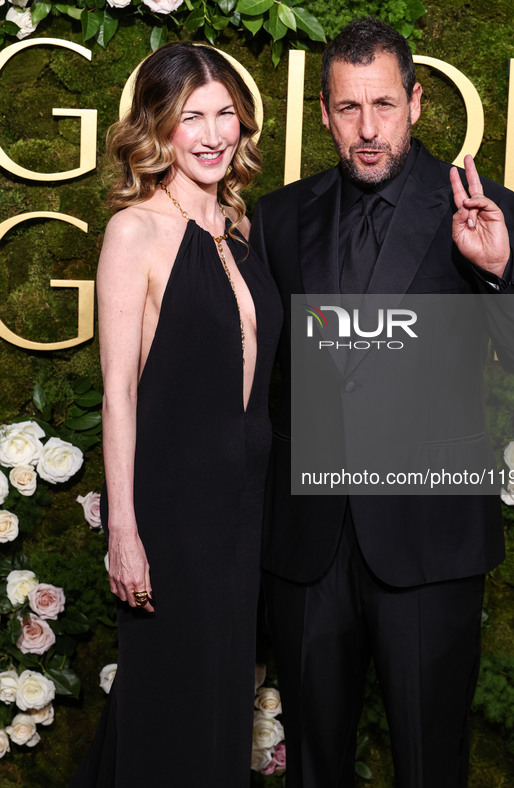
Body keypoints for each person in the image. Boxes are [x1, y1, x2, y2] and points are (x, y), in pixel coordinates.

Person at [250, 17, 514, 788]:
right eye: (349, 108)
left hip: (430, 542)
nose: (368, 130)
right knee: (312, 771)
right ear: (323, 113)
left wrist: (498, 271)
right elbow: (260, 379)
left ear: (417, 104)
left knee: (431, 765)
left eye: (384, 106)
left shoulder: (478, 208)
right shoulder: (277, 219)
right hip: (308, 547)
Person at [70, 42, 281, 787]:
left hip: (244, 512)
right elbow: (118, 390)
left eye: (225, 113)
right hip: (175, 514)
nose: (214, 133)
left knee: (221, 709)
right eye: (192, 116)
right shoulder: (135, 231)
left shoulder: (244, 232)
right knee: (171, 709)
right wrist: (123, 530)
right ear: (157, 128)